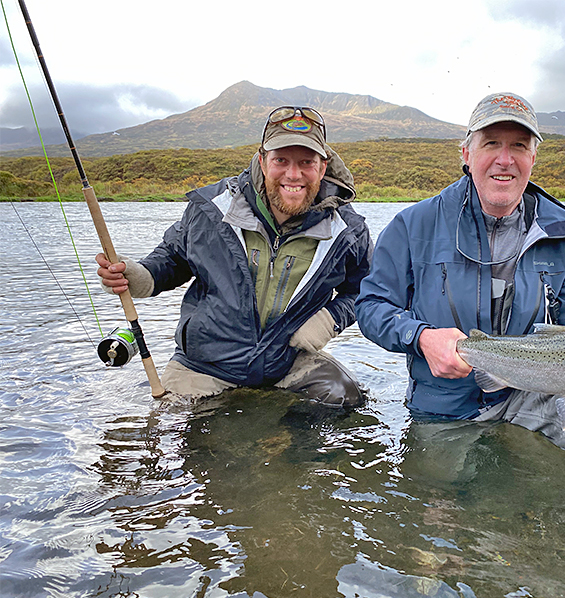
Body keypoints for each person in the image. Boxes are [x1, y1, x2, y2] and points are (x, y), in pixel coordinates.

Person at [355, 92, 565, 468]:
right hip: (444, 407)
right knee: (439, 512)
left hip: (535, 396)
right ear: (466, 154)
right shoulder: (412, 226)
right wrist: (421, 337)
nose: (505, 160)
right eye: (491, 143)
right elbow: (371, 307)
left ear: (533, 158)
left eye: (519, 146)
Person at [97, 106, 372, 407]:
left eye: (306, 162)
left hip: (286, 361)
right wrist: (140, 276)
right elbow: (173, 258)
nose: (293, 174)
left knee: (345, 399)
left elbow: (366, 289)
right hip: (204, 366)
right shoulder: (213, 208)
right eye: (281, 160)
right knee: (168, 426)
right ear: (262, 161)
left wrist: (330, 319)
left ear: (322, 167)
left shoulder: (348, 230)